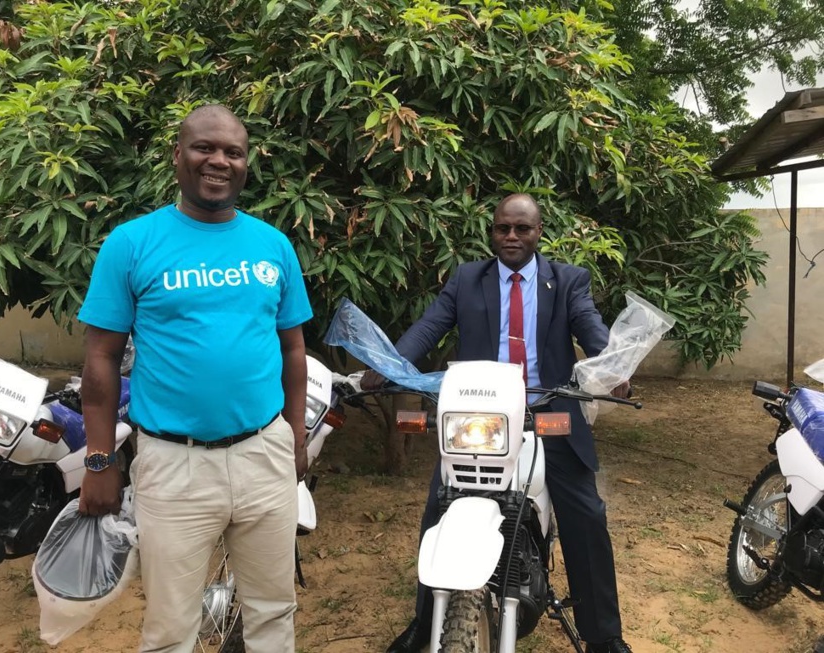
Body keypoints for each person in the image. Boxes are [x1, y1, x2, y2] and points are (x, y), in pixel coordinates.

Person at [77, 105, 312, 653]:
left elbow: (293, 347)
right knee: (169, 629)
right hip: (173, 465)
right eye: (206, 147)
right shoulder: (132, 244)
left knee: (274, 613)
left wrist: (294, 436)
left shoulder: (272, 245)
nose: (220, 161)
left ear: (246, 163)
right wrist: (99, 460)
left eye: (233, 152)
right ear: (177, 155)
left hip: (263, 454)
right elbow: (102, 359)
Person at [364, 193, 633, 653]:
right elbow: (430, 326)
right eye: (503, 228)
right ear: (492, 232)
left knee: (585, 515)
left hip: (550, 410)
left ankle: (603, 635)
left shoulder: (567, 281)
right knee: (439, 509)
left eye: (521, 228)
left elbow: (590, 326)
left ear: (538, 232)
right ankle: (427, 622)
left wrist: (613, 368)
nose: (511, 236)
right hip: (481, 414)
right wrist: (388, 364)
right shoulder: (469, 278)